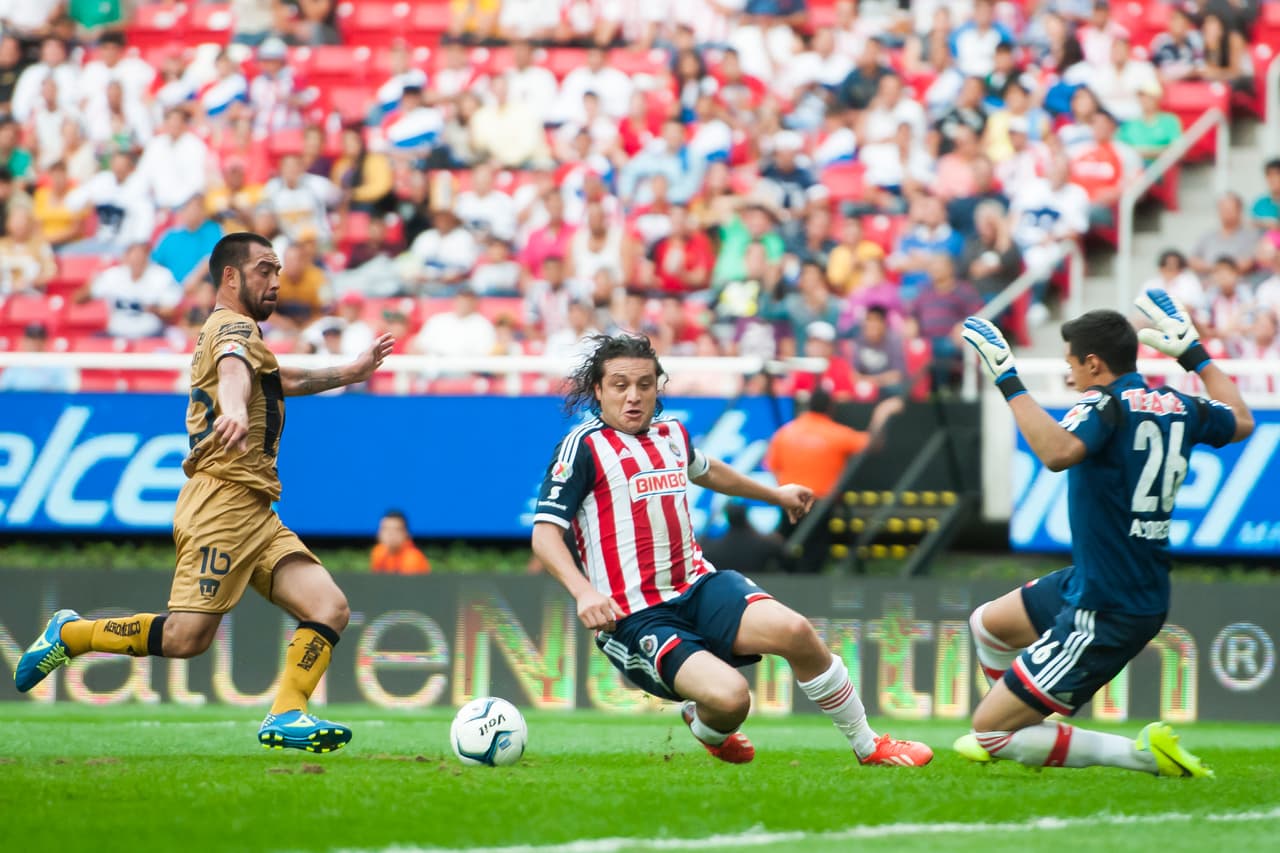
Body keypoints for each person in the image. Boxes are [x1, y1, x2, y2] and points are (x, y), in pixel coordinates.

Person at [15, 232, 395, 756]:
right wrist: (234, 409)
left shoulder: (238, 334)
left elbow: (275, 378)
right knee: (185, 639)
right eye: (264, 269)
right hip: (221, 503)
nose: (276, 280)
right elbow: (236, 372)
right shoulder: (232, 328)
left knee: (328, 607)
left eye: (278, 270)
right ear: (231, 276)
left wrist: (349, 372)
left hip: (255, 507)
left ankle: (287, 712)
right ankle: (72, 634)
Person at [531, 335, 931, 767]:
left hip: (698, 586)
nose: (633, 396)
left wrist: (775, 494)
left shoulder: (671, 434)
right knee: (732, 699)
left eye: (645, 385)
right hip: (635, 614)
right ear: (598, 390)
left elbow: (708, 471)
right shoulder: (582, 447)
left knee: (797, 632)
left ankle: (869, 745)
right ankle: (708, 725)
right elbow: (545, 534)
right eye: (620, 385)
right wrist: (583, 592)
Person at [955, 293, 1253, 777]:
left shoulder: (1103, 403)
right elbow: (1241, 420)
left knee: (990, 732)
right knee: (989, 624)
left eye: (1071, 364)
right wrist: (1194, 355)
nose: (1069, 375)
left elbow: (1057, 453)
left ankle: (1141, 756)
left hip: (1106, 604)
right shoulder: (1177, 404)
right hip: (1106, 579)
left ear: (1093, 363)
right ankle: (1023, 724)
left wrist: (1006, 377)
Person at [699, 503, 786, 578]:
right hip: (759, 588)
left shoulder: (713, 548)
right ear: (746, 517)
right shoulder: (766, 544)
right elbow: (786, 560)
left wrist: (710, 520)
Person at [0, 322, 77, 392]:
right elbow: (3, 392)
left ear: (46, 341)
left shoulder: (58, 365)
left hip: (48, 402)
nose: (35, 343)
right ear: (24, 341)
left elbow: (66, 391)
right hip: (20, 402)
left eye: (39, 339)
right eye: (31, 339)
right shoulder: (14, 367)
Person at [369, 510, 431, 574]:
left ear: (406, 533)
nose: (391, 534)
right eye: (385, 529)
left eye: (396, 529)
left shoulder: (414, 559)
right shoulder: (377, 553)